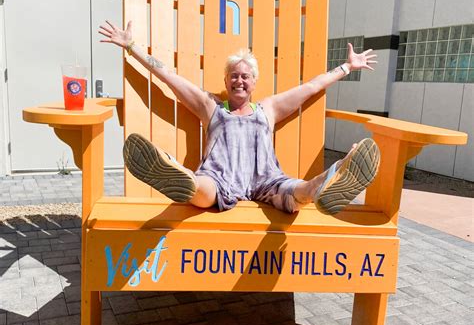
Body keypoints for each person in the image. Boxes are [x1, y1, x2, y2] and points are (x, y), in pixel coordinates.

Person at [99, 20, 380, 215]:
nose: (239, 81)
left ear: (254, 82)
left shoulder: (268, 109)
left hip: (266, 183)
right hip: (218, 180)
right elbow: (170, 78)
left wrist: (346, 67)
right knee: (199, 189)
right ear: (226, 80)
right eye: (233, 76)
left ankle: (333, 178)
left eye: (245, 76)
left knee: (298, 192)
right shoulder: (211, 106)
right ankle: (171, 172)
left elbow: (311, 87)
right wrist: (131, 46)